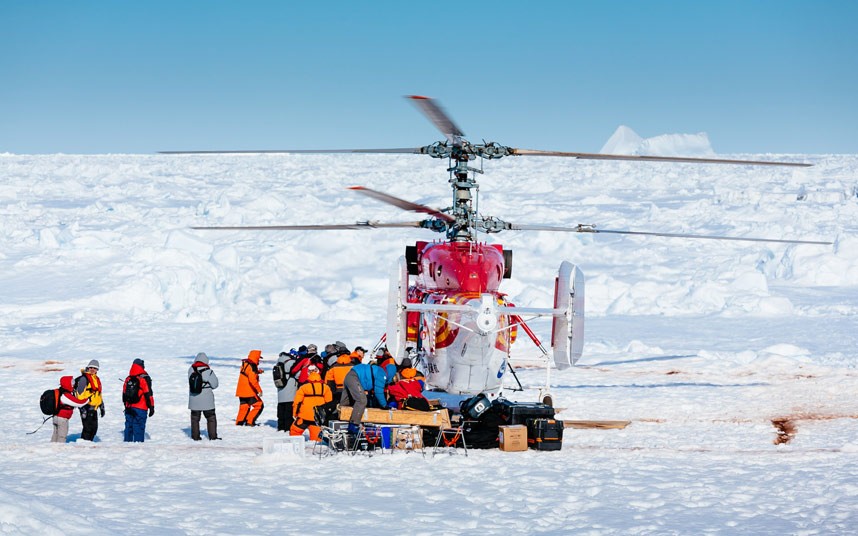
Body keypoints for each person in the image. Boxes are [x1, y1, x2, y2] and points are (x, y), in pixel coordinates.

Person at [340, 362, 397, 433]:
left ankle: (338, 421)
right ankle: (353, 425)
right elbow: (378, 391)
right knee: (362, 400)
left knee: (346, 403)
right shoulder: (382, 374)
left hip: (350, 376)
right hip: (355, 376)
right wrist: (384, 405)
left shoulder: (380, 371)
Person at [290, 365, 333, 441]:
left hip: (304, 416)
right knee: (316, 438)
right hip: (317, 417)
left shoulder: (303, 387)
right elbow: (329, 403)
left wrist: (294, 414)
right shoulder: (326, 388)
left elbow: (297, 402)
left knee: (294, 433)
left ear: (308, 374)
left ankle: (294, 448)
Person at [188, 352, 219, 440]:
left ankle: (195, 437)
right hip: (207, 399)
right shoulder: (208, 371)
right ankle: (213, 437)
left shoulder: (190, 370)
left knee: (195, 418)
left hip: (194, 399)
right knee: (211, 418)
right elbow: (215, 384)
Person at [123, 358, 154, 442]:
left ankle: (126, 447)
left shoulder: (128, 378)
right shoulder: (144, 378)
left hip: (129, 407)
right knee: (139, 427)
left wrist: (126, 406)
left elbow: (124, 394)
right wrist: (151, 407)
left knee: (128, 426)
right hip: (141, 407)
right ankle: (138, 448)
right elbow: (148, 394)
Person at [74, 359, 104, 441]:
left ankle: (88, 445)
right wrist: (83, 408)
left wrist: (101, 406)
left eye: (95, 368)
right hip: (86, 408)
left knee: (94, 429)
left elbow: (98, 393)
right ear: (88, 367)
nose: (92, 369)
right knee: (87, 429)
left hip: (94, 408)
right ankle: (83, 446)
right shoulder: (84, 379)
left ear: (97, 370)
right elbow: (79, 395)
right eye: (91, 367)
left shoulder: (96, 379)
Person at [51, 375, 87, 443]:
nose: (73, 384)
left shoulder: (60, 392)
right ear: (68, 384)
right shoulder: (66, 395)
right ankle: (59, 449)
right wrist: (88, 399)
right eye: (72, 382)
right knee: (62, 436)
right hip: (62, 419)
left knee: (55, 435)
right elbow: (78, 403)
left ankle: (52, 448)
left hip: (56, 417)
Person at [235, 349, 264, 426]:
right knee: (259, 405)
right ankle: (250, 421)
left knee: (244, 407)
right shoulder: (253, 366)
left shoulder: (245, 364)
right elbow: (252, 380)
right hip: (249, 392)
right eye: (258, 358)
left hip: (241, 391)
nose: (259, 360)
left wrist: (258, 372)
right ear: (256, 357)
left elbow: (248, 373)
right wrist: (259, 390)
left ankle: (239, 422)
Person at [274, 350, 300, 432]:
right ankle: (288, 428)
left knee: (281, 410)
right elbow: (298, 374)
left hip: (280, 390)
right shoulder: (291, 362)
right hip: (290, 390)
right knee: (289, 411)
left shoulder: (278, 362)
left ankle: (281, 427)